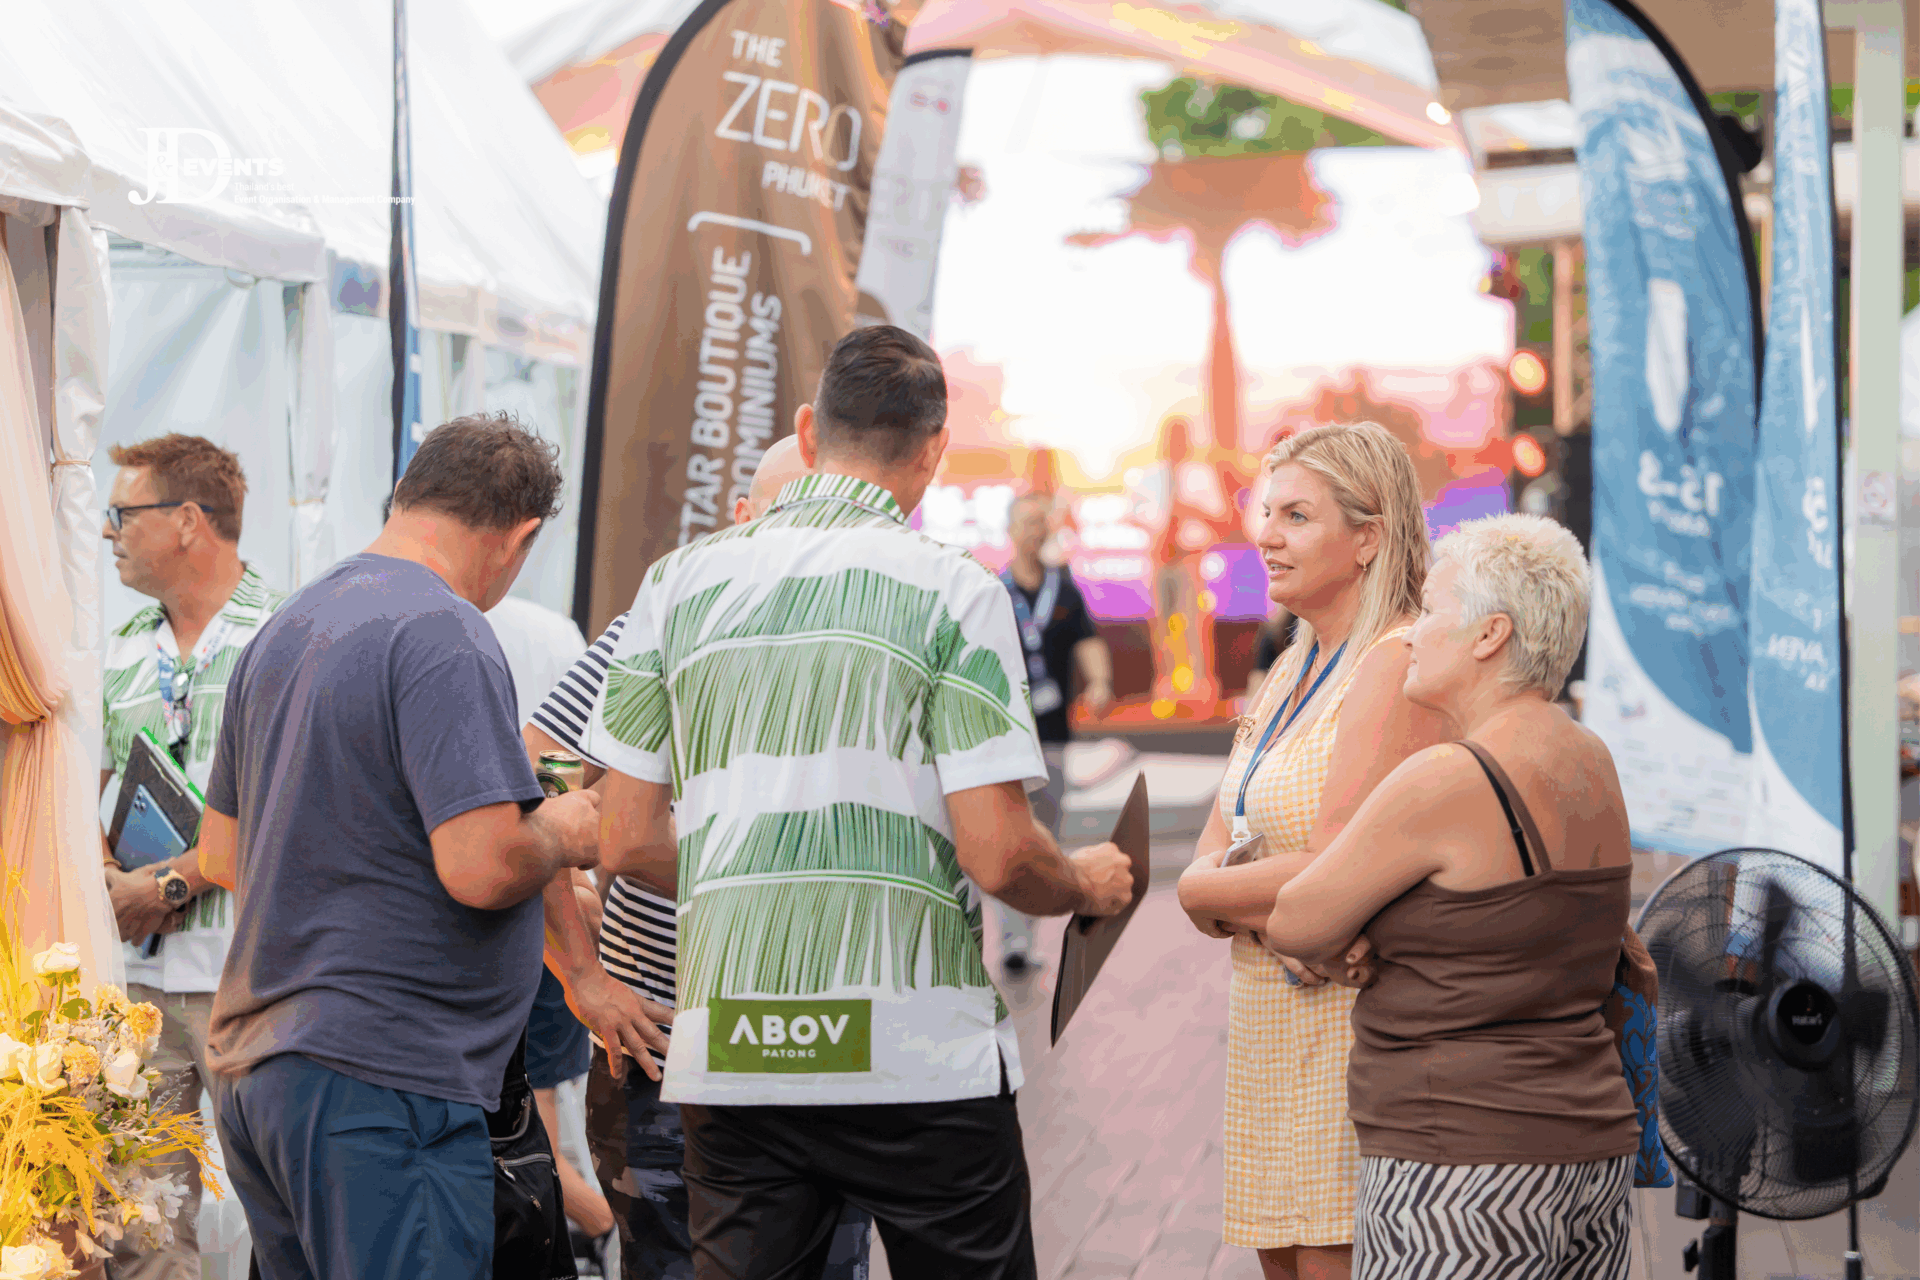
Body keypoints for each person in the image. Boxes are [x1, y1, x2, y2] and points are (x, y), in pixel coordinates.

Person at [585, 325, 1134, 1280]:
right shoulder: (955, 592)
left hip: (737, 1049)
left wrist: (755, 867)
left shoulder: (675, 585)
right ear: (933, 452)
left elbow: (624, 838)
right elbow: (1000, 854)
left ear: (808, 431)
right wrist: (1084, 883)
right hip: (916, 1054)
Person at [196, 414, 639, 1280]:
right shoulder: (445, 629)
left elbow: (220, 855)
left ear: (406, 494)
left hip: (263, 1070)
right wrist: (565, 828)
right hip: (383, 1081)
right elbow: (480, 864)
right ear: (520, 537)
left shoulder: (288, 626)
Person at [527, 435, 873, 1280]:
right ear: (741, 516)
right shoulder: (657, 628)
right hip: (668, 1045)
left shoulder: (869, 639)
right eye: (788, 514)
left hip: (827, 1041)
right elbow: (532, 778)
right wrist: (581, 969)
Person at [1262, 513, 1638, 1280]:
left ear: (1490, 635)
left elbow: (1296, 919)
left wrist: (1349, 933)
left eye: (1430, 611)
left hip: (1462, 1169)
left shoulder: (1448, 777)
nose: (1409, 634)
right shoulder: (1591, 757)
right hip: (1591, 1153)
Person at [1174, 422, 1449, 1280]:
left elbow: (1334, 871)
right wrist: (1241, 898)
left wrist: (1207, 893)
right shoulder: (1293, 666)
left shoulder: (1393, 659)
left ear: (1368, 537)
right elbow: (1216, 849)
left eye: (1296, 516)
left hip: (1347, 1033)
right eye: (1268, 513)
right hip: (1272, 1018)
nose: (1267, 536)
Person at [96, 434, 284, 1280]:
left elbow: (292, 812)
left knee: (279, 1206)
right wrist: (107, 877)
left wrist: (169, 883)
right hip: (136, 984)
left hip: (253, 978)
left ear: (186, 521)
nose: (108, 532)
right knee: (140, 1222)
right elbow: (86, 790)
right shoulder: (117, 649)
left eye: (122, 513)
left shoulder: (283, 637)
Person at [485, 594, 620, 1271]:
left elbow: (543, 773)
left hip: (528, 917)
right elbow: (551, 777)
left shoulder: (497, 631)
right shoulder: (561, 632)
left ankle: (600, 1231)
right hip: (540, 914)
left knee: (540, 1130)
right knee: (543, 1126)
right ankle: (601, 1232)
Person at [995, 490, 1114, 976]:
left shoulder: (1064, 589)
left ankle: (1026, 934)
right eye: (1027, 522)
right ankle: (1013, 940)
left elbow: (1087, 640)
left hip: (1053, 735)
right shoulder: (994, 591)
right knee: (1009, 835)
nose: (1035, 531)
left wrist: (1100, 682)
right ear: (1010, 530)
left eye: (1041, 522)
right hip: (1005, 736)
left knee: (1044, 836)